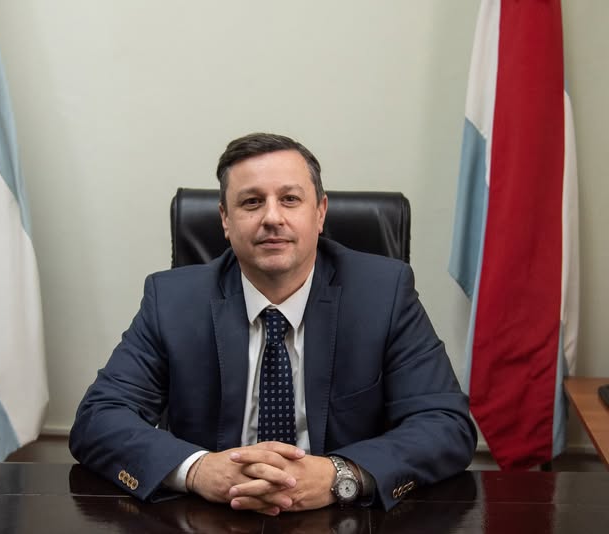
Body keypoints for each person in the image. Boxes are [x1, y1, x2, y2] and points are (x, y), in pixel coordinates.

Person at [69, 133, 477, 515]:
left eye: (290, 199)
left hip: (342, 517)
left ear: (320, 212)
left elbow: (445, 424)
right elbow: (99, 418)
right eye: (251, 202)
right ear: (225, 220)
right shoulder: (172, 301)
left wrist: (340, 474)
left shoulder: (383, 294)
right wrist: (197, 470)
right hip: (209, 516)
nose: (272, 217)